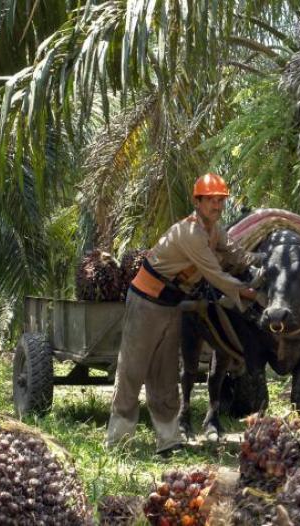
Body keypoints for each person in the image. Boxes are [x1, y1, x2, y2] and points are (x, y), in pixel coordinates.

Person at [106, 172, 258, 454]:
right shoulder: (190, 233)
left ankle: (169, 438)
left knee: (165, 373)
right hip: (146, 301)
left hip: (172, 303)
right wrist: (246, 291)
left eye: (220, 200)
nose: (216, 205)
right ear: (197, 201)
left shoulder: (214, 230)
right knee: (134, 368)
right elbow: (213, 272)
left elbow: (235, 253)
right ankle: (118, 439)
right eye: (210, 200)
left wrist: (261, 263)